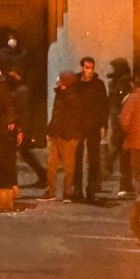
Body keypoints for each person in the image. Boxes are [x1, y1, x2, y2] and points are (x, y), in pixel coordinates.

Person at [39, 71, 83, 202]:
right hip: (56, 134)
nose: (58, 82)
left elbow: (73, 118)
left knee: (68, 166)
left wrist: (69, 133)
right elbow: (56, 116)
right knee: (51, 164)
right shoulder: (60, 94)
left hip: (68, 136)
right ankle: (51, 191)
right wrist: (50, 130)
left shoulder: (73, 96)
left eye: (60, 80)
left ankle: (67, 193)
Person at [73, 57, 108, 201]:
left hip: (93, 125)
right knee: (77, 158)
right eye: (87, 67)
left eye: (91, 67)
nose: (89, 70)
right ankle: (77, 189)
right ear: (82, 67)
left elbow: (104, 105)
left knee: (93, 158)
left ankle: (91, 189)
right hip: (78, 124)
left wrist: (103, 124)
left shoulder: (98, 84)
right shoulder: (75, 83)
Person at [104, 57, 135, 197]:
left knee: (122, 154)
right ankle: (124, 184)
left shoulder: (125, 82)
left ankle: (125, 184)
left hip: (122, 122)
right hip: (117, 120)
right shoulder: (118, 80)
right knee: (121, 153)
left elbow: (120, 99)